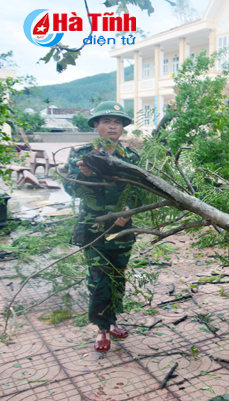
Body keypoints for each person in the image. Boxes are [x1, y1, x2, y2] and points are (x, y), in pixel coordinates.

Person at [64, 101, 140, 353]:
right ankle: (102, 328)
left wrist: (128, 209)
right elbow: (70, 189)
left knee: (118, 276)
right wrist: (82, 176)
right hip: (92, 227)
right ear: (96, 125)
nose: (112, 126)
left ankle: (113, 319)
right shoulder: (81, 153)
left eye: (117, 122)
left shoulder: (131, 157)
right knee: (98, 277)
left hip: (121, 228)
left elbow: (140, 192)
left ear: (122, 128)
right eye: (106, 121)